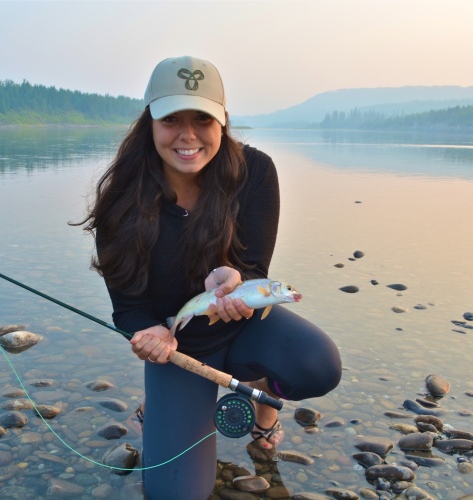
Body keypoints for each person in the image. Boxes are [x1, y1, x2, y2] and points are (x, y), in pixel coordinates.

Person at [79, 56, 341, 499]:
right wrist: (148, 332)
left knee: (318, 366)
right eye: (171, 120)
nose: (188, 135)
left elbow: (257, 268)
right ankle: (168, 401)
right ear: (150, 123)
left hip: (242, 328)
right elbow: (128, 305)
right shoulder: (122, 199)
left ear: (222, 121)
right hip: (180, 349)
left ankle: (261, 404)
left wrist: (237, 279)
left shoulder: (255, 172)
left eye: (202, 118)